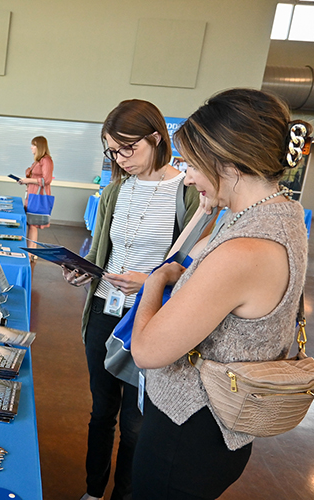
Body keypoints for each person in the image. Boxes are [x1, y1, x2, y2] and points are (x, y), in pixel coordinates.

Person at [131, 89, 311, 499]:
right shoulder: (280, 216)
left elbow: (146, 351)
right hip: (217, 430)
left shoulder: (246, 250)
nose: (189, 177)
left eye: (193, 165)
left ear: (228, 162)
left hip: (189, 434)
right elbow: (200, 260)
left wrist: (156, 281)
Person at [62, 99, 200, 500]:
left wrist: (151, 282)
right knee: (101, 411)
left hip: (149, 321)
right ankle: (92, 491)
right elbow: (101, 251)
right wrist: (81, 269)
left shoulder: (187, 193)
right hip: (104, 313)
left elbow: (196, 269)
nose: (120, 159)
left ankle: (124, 494)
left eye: (127, 149)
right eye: (112, 151)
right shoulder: (114, 191)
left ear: (156, 138)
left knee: (137, 422)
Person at [17, 136, 54, 254]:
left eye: (33, 145)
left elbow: (46, 180)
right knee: (31, 223)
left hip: (38, 195)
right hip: (32, 193)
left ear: (39, 147)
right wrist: (25, 181)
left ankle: (30, 252)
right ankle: (31, 251)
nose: (31, 147)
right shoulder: (38, 161)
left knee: (33, 223)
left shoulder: (46, 160)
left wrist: (28, 181)